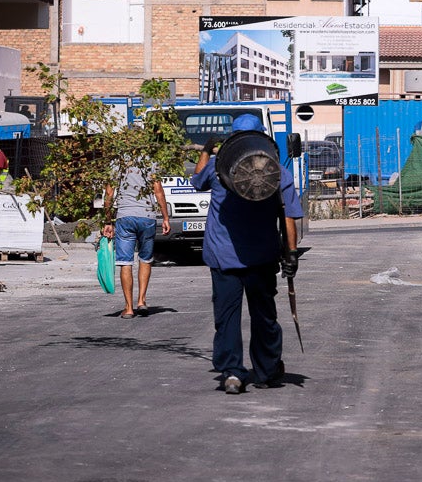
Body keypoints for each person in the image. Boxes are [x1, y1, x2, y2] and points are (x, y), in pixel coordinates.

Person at [192, 113, 302, 394]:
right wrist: (291, 254)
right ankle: (266, 371)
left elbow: (196, 181)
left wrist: (206, 149)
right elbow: (288, 217)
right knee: (264, 316)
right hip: (262, 258)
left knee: (227, 316)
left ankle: (232, 373)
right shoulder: (279, 172)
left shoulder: (217, 168)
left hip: (222, 257)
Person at [102, 160, 170, 319]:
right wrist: (165, 217)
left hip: (125, 217)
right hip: (147, 217)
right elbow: (158, 190)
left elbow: (109, 193)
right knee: (145, 258)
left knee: (125, 262)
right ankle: (141, 301)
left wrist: (107, 220)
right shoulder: (150, 161)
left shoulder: (117, 162)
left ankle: (129, 308)